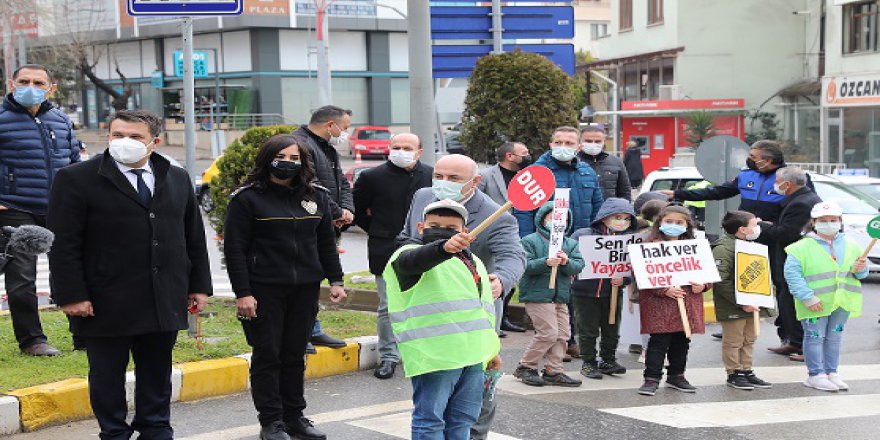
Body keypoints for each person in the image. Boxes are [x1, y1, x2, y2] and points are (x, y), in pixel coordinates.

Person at [47, 110, 211, 439]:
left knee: (157, 370)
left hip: (162, 295)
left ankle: (155, 427)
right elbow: (64, 244)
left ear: (154, 141)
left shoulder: (175, 177)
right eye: (117, 135)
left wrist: (198, 286)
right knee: (107, 375)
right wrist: (72, 295)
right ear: (108, 137)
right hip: (105, 298)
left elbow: (192, 236)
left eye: (135, 137)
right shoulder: (76, 178)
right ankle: (114, 432)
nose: (125, 142)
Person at [224, 134, 347, 440]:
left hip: (305, 289)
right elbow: (235, 249)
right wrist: (243, 293)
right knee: (268, 355)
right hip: (263, 290)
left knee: (295, 354)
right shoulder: (247, 198)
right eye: (283, 156)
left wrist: (336, 280)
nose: (289, 163)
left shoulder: (315, 196)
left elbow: (325, 244)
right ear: (267, 158)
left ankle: (295, 417)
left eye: (296, 158)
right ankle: (271, 422)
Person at [397, 154, 525, 440]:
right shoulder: (423, 197)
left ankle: (476, 435)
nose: (443, 184)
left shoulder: (497, 215)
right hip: (433, 318)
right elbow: (408, 239)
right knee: (432, 405)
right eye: (438, 176)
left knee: (475, 397)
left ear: (475, 182)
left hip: (475, 318)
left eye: (454, 179)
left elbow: (513, 255)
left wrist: (501, 280)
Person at [385, 199, 502, 440]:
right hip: (435, 357)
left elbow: (483, 311)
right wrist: (443, 247)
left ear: (465, 232)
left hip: (473, 356)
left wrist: (491, 351)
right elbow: (414, 261)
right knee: (430, 421)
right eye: (434, 225)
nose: (441, 231)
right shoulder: (406, 255)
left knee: (463, 421)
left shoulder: (476, 263)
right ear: (420, 227)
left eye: (450, 228)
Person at [2, 64, 81, 356]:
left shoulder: (60, 120)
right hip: (15, 207)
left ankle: (82, 335)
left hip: (59, 209)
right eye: (24, 81)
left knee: (71, 271)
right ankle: (32, 340)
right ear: (12, 83)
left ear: (51, 87)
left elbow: (74, 163)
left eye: (38, 82)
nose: (30, 86)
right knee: (22, 277)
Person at [353, 133, 432, 380]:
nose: (401, 151)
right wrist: (378, 230)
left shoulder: (431, 175)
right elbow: (358, 211)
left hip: (424, 248)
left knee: (423, 303)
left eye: (407, 147)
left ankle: (420, 352)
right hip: (384, 248)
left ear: (419, 151)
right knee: (388, 305)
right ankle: (389, 356)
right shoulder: (371, 177)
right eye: (396, 147)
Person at [784, 201, 867, 392]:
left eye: (833, 220)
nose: (828, 223)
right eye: (823, 220)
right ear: (813, 222)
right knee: (815, 337)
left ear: (840, 221)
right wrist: (807, 298)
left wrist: (860, 270)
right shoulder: (799, 247)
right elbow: (792, 275)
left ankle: (832, 373)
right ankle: (815, 375)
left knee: (835, 337)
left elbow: (860, 274)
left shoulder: (851, 245)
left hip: (842, 302)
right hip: (814, 303)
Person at [290, 105, 352, 352]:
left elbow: (342, 184)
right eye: (345, 128)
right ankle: (300, 333)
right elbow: (309, 184)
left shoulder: (327, 148)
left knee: (313, 281)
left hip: (324, 223)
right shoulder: (299, 144)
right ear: (330, 125)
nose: (346, 133)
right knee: (301, 283)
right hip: (307, 223)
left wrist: (346, 211)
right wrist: (335, 212)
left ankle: (312, 330)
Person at [636, 205, 711, 396]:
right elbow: (641, 274)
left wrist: (703, 285)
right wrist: (663, 289)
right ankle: (651, 378)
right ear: (659, 222)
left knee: (682, 341)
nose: (674, 225)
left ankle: (677, 375)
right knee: (658, 342)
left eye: (679, 222)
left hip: (687, 301)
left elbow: (707, 273)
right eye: (669, 221)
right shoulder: (649, 246)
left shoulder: (695, 246)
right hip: (659, 304)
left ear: (687, 225)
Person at [514, 201, 585, 387]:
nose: (557, 221)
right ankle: (526, 366)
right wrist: (545, 262)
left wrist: (566, 262)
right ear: (542, 218)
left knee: (563, 334)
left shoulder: (570, 244)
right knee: (548, 333)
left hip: (560, 295)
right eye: (552, 217)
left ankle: (554, 369)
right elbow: (524, 265)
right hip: (538, 294)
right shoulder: (529, 241)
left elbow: (578, 266)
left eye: (563, 218)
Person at [756, 166, 821, 361]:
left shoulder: (802, 203)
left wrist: (762, 226)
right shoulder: (797, 199)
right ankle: (794, 341)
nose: (775, 185)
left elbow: (787, 233)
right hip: (787, 260)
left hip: (795, 261)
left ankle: (803, 345)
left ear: (788, 184)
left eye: (777, 181)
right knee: (786, 302)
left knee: (795, 303)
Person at [570, 198, 637, 379]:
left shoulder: (630, 240)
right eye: (617, 217)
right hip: (585, 291)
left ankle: (608, 359)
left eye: (627, 219)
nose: (622, 222)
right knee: (588, 329)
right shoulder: (583, 235)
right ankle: (588, 362)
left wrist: (625, 279)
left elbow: (636, 266)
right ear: (604, 217)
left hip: (613, 292)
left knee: (612, 327)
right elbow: (570, 258)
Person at [712, 211, 773, 390]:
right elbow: (720, 281)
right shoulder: (724, 248)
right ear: (743, 229)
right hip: (734, 305)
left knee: (749, 339)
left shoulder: (750, 244)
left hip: (752, 302)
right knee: (733, 341)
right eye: (755, 224)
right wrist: (741, 302)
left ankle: (746, 370)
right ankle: (734, 372)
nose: (758, 227)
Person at [477, 141, 532, 335]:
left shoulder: (527, 178)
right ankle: (495, 320)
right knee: (493, 273)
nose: (528, 156)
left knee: (510, 274)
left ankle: (504, 317)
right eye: (524, 153)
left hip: (518, 230)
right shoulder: (485, 176)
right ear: (510, 156)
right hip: (491, 233)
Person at [515, 126, 604, 237]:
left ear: (579, 147)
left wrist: (594, 236)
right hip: (545, 242)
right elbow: (523, 213)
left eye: (569, 143)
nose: (563, 146)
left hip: (581, 241)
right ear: (551, 145)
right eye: (558, 142)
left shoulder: (588, 172)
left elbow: (597, 207)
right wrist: (528, 244)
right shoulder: (534, 173)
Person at [578, 126, 631, 201]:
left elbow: (625, 192)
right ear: (580, 141)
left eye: (598, 141)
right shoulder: (573, 162)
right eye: (588, 141)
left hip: (609, 210)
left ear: (604, 142)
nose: (593, 144)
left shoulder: (616, 162)